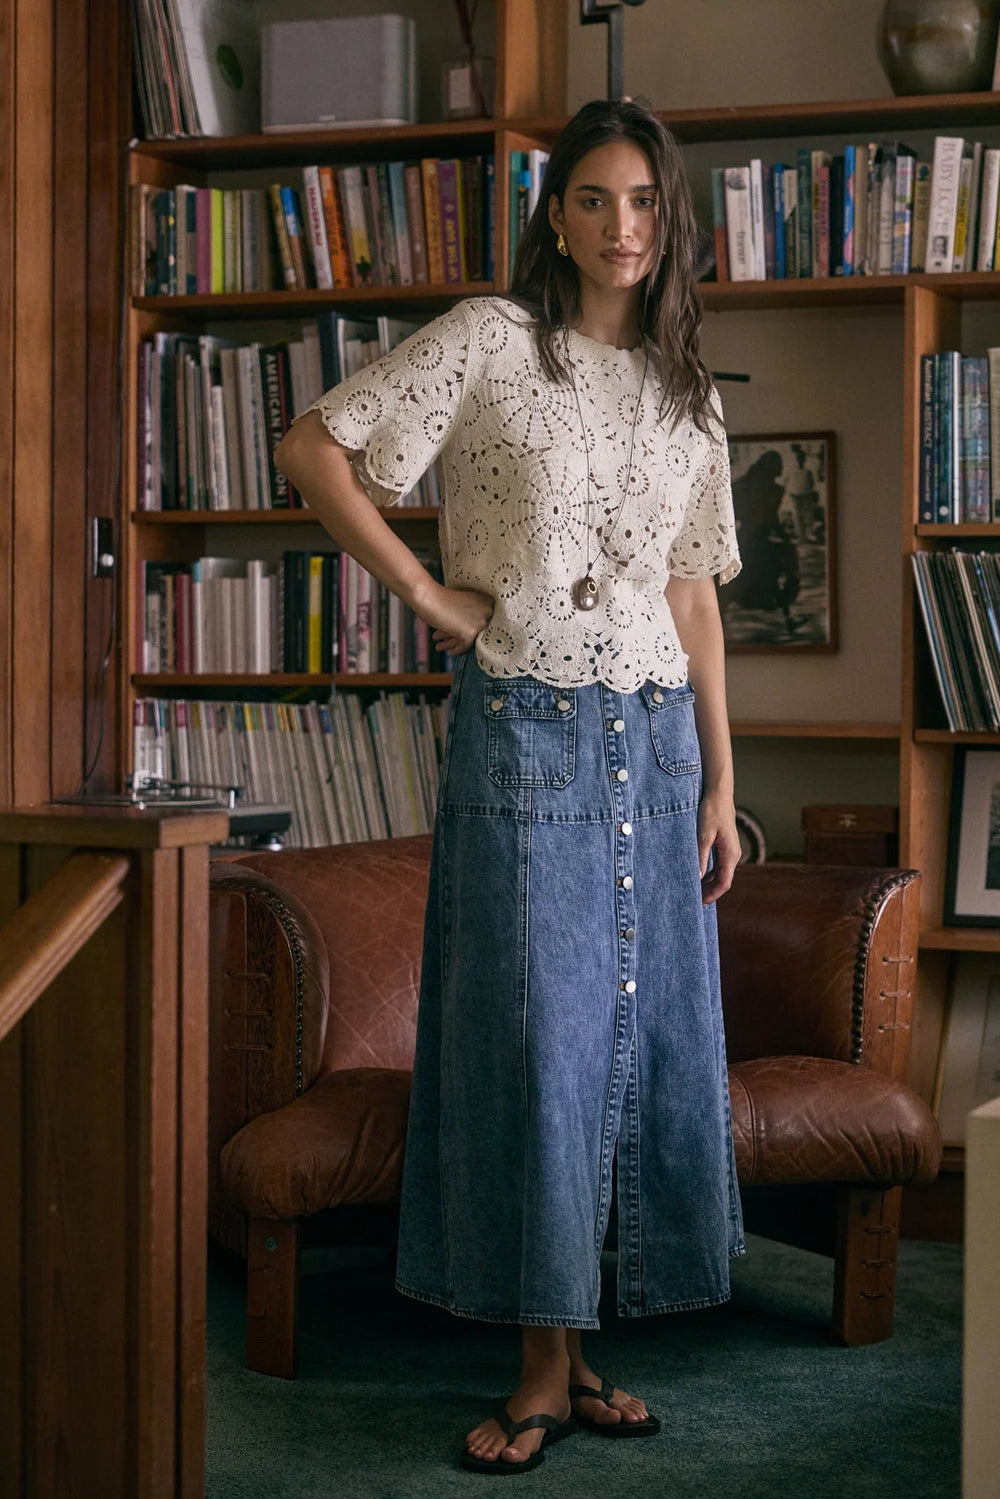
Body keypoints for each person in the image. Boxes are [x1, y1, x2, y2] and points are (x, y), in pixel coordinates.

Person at [274, 97, 744, 1476]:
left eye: (646, 202)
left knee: (639, 1051)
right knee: (538, 1039)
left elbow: (695, 598)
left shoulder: (686, 393)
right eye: (595, 199)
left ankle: (585, 1344)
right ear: (557, 214)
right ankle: (539, 1364)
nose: (622, 226)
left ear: (673, 221)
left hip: (657, 745)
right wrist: (426, 592)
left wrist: (723, 781)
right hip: (526, 724)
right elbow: (316, 446)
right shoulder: (490, 340)